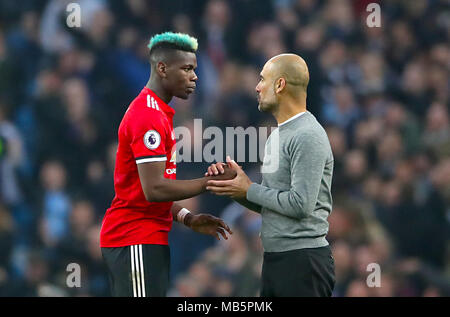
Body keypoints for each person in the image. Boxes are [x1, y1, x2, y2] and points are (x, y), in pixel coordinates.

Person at [100, 32, 235, 297]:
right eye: (186, 69)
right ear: (162, 68)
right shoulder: (147, 116)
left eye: (194, 69)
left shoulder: (159, 114)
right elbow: (154, 190)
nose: (194, 77)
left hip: (146, 237)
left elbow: (144, 192)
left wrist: (187, 217)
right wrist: (210, 182)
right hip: (133, 237)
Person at [205, 54, 335, 297]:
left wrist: (250, 189)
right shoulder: (278, 135)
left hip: (302, 262)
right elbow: (273, 204)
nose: (256, 87)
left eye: (262, 79)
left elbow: (300, 204)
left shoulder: (307, 135)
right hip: (278, 258)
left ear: (280, 85)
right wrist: (235, 189)